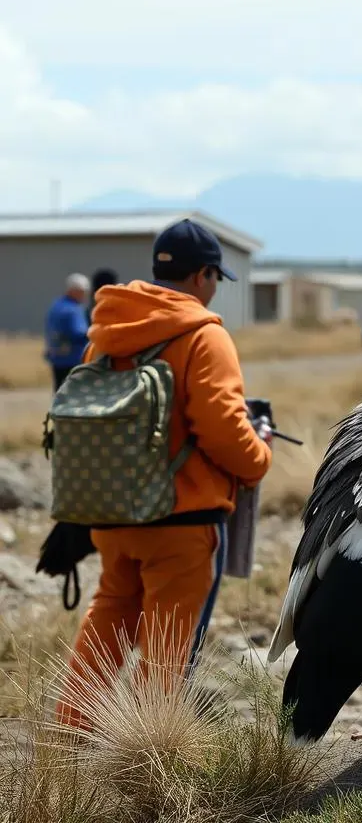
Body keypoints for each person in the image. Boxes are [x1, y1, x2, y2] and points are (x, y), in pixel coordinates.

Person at [54, 218, 273, 731]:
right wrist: (259, 459)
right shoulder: (203, 336)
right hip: (182, 517)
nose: (215, 288)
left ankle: (68, 740)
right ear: (201, 277)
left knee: (108, 620)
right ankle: (150, 757)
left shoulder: (106, 333)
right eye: (216, 277)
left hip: (111, 511)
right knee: (167, 650)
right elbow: (220, 427)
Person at [44, 273, 91, 391]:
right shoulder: (73, 310)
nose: (84, 296)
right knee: (73, 393)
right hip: (73, 359)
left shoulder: (56, 305)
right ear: (75, 291)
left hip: (56, 357)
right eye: (83, 292)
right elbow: (79, 333)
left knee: (59, 390)